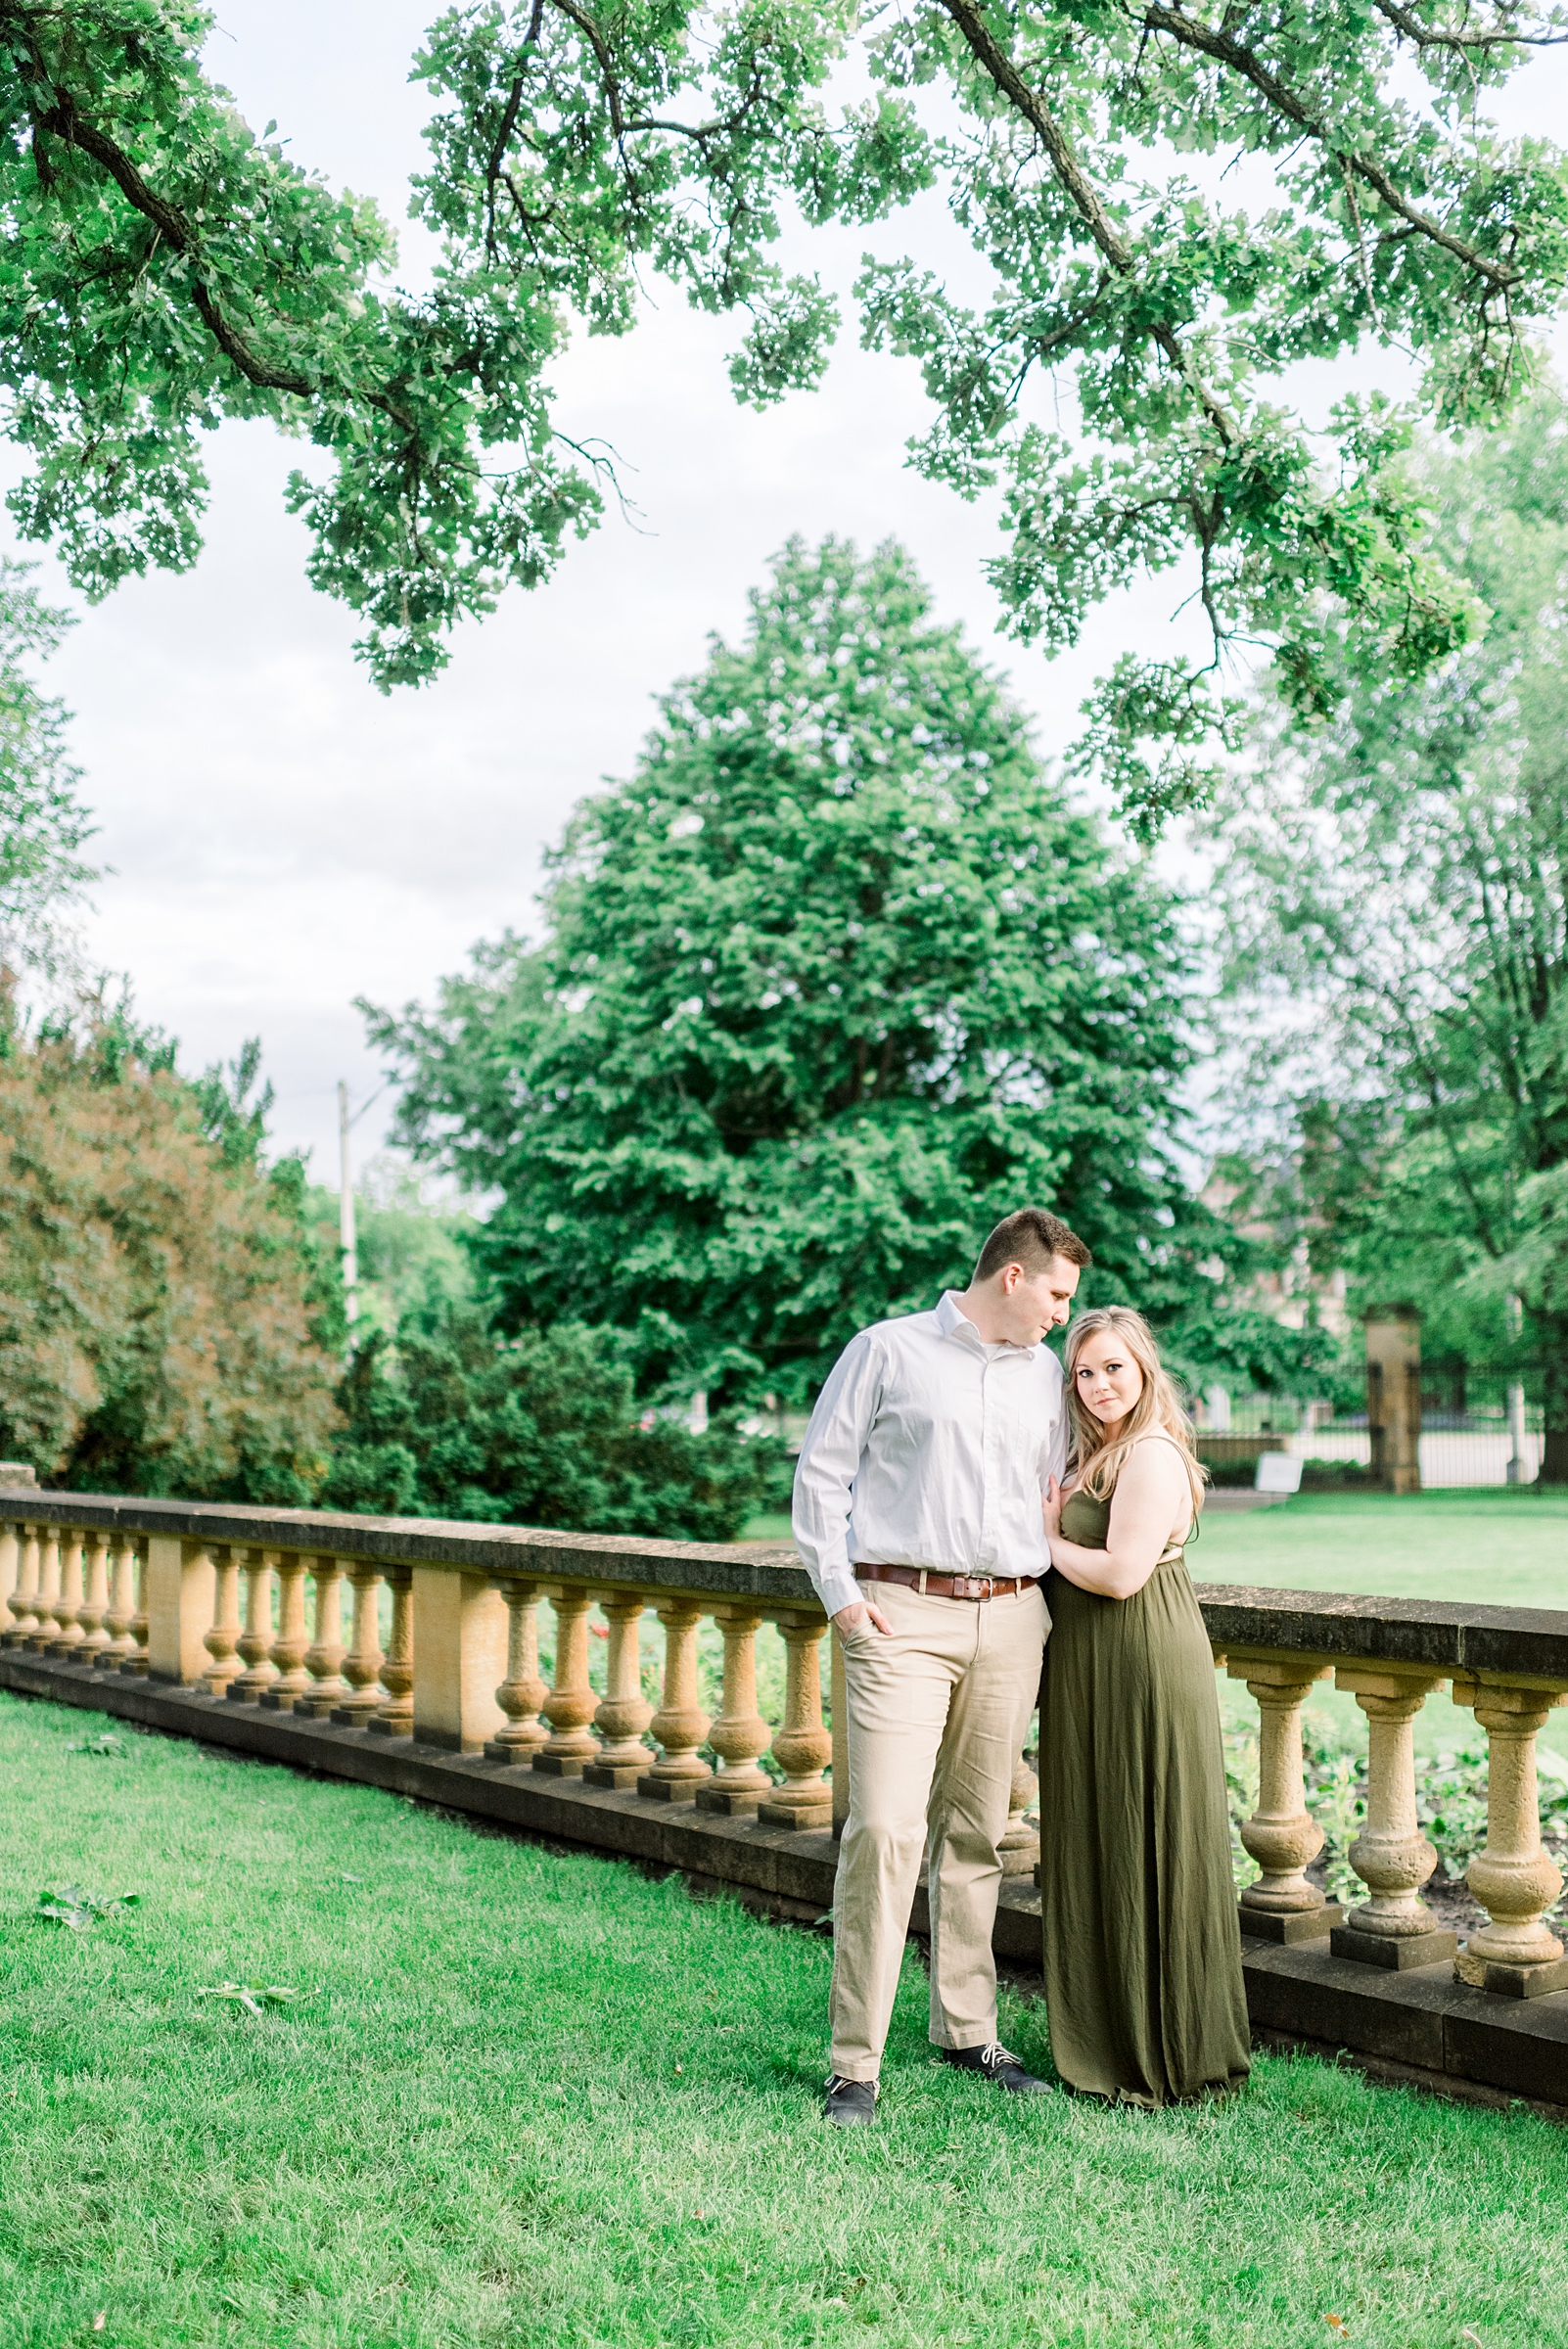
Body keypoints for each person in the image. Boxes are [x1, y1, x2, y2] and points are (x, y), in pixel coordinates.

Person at [793, 1207, 1089, 2126]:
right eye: (1057, 1293)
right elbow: (821, 1475)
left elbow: (1074, 1478)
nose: (1063, 1314)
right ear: (1013, 1276)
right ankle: (854, 2062)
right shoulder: (885, 1351)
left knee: (977, 1834)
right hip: (901, 1613)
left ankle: (967, 2029)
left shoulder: (1047, 1376)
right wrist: (841, 1596)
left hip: (1011, 1618)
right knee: (883, 1829)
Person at [1038, 1306, 1251, 2107]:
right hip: (1094, 1656)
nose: (1098, 1385)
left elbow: (1122, 1574)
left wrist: (1040, 1536)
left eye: (1113, 1368)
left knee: (1148, 1830)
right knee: (1103, 1831)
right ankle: (1113, 2027)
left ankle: (1164, 2047)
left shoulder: (1152, 1454)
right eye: (1084, 1372)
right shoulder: (1100, 1451)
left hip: (1141, 1654)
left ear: (1145, 1369)